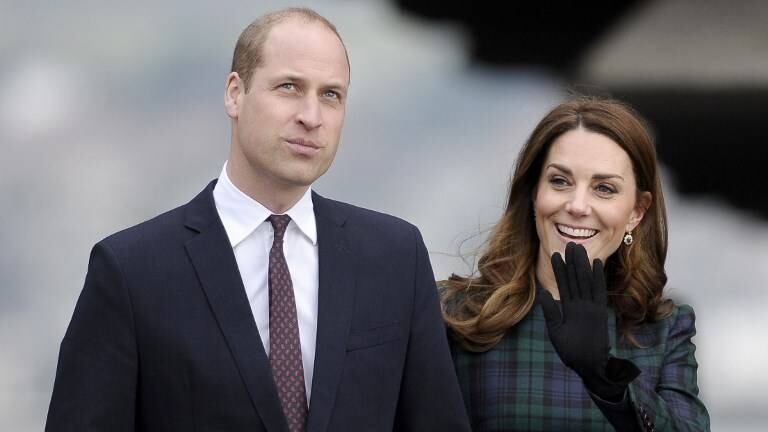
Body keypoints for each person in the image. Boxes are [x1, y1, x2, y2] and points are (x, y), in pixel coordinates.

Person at [45, 7, 470, 432]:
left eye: (330, 95)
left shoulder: (396, 257)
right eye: (289, 87)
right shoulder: (131, 271)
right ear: (235, 93)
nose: (311, 116)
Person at [441, 97, 710, 431]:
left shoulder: (664, 328)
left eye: (604, 188)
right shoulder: (454, 314)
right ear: (534, 193)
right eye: (560, 181)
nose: (578, 205)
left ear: (637, 212)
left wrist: (604, 378)